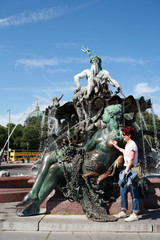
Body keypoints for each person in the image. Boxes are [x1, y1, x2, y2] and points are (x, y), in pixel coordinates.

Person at [112, 126, 140, 222]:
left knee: (134, 192)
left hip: (131, 171)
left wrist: (126, 171)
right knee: (123, 191)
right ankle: (123, 211)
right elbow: (125, 152)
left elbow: (131, 159)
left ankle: (135, 213)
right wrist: (116, 147)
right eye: (122, 134)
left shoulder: (132, 144)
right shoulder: (128, 144)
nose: (123, 136)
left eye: (124, 134)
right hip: (126, 170)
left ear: (129, 135)